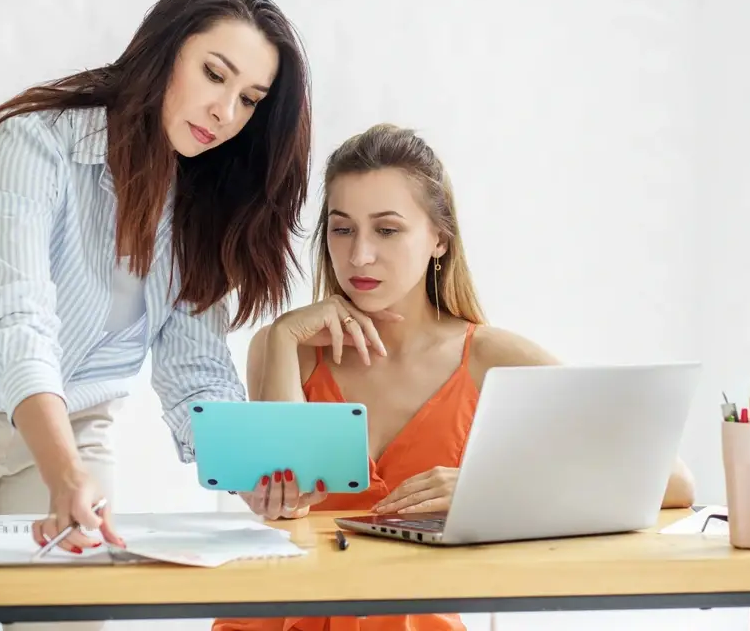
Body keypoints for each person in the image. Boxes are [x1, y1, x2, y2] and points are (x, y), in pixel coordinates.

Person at [0, 0, 313, 589]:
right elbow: (20, 322)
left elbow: (195, 366)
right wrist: (63, 472)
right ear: (164, 52)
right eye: (214, 74)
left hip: (73, 425)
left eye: (251, 99)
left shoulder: (201, 204)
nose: (226, 112)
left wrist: (248, 473)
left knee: (77, 615)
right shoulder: (32, 145)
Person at [212, 124, 696, 631]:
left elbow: (674, 481)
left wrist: (487, 491)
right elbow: (283, 506)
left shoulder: (492, 357)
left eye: (388, 229)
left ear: (439, 239)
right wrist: (286, 335)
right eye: (342, 228)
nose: (360, 256)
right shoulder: (285, 348)